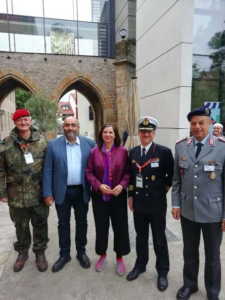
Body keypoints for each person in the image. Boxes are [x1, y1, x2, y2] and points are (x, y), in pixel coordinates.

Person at [172, 107, 225, 300]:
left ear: (209, 123)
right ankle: (190, 284)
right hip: (188, 211)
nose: (197, 127)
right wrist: (176, 204)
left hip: (213, 212)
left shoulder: (221, 146)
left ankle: (212, 292)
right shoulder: (181, 146)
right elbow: (177, 180)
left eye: (201, 123)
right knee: (189, 251)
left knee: (212, 257)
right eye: (193, 123)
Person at [127, 117, 174, 292]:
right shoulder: (132, 152)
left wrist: (162, 191)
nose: (146, 134)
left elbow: (171, 175)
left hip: (156, 204)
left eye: (149, 131)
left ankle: (162, 271)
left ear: (154, 133)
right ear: (139, 133)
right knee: (140, 237)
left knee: (159, 239)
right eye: (143, 131)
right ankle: (140, 265)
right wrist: (130, 196)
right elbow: (131, 177)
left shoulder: (163, 152)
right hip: (139, 203)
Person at [43, 116, 95, 273]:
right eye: (67, 125)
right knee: (63, 224)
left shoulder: (89, 144)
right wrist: (47, 193)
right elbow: (47, 171)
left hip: (81, 190)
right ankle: (64, 255)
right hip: (62, 191)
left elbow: (96, 167)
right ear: (63, 127)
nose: (70, 128)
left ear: (78, 127)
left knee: (82, 222)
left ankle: (81, 252)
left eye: (73, 125)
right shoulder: (53, 144)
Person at [0, 109, 49, 272]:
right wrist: (2, 192)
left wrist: (50, 192)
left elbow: (49, 169)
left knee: (40, 224)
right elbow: (0, 171)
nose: (23, 122)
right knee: (20, 226)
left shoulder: (42, 141)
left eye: (26, 119)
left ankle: (40, 253)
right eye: (19, 120)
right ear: (14, 122)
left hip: (38, 194)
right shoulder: (6, 144)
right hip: (16, 195)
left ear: (30, 120)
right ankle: (22, 252)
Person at [85, 124, 130, 276]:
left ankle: (119, 257)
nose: (108, 135)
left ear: (115, 135)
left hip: (118, 196)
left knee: (120, 227)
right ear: (101, 134)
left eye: (111, 132)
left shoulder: (123, 152)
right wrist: (98, 186)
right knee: (101, 226)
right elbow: (88, 173)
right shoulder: (94, 152)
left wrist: (122, 186)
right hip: (100, 197)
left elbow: (128, 172)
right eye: (105, 132)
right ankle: (102, 255)